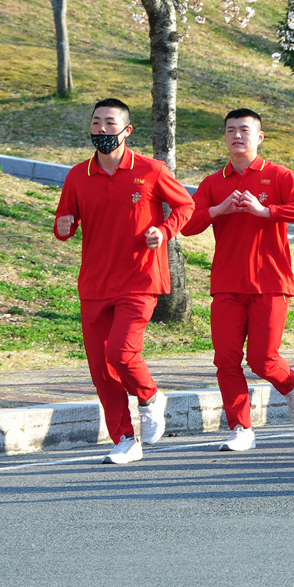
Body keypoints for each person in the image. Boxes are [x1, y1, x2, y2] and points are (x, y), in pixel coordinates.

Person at [53, 98, 196, 464]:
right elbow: (63, 222)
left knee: (121, 351)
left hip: (140, 279)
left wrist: (163, 231)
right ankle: (125, 440)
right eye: (97, 123)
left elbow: (185, 206)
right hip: (95, 284)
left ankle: (149, 396)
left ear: (126, 130)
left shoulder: (150, 169)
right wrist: (64, 227)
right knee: (102, 369)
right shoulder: (77, 175)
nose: (102, 130)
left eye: (110, 123)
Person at [182, 109, 294, 452]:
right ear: (224, 138)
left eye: (244, 130)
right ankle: (241, 429)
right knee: (225, 359)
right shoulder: (213, 183)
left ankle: (293, 381)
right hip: (227, 282)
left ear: (259, 137)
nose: (237, 136)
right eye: (230, 131)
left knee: (262, 358)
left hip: (271, 280)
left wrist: (265, 211)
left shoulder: (279, 175)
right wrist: (217, 210)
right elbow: (187, 222)